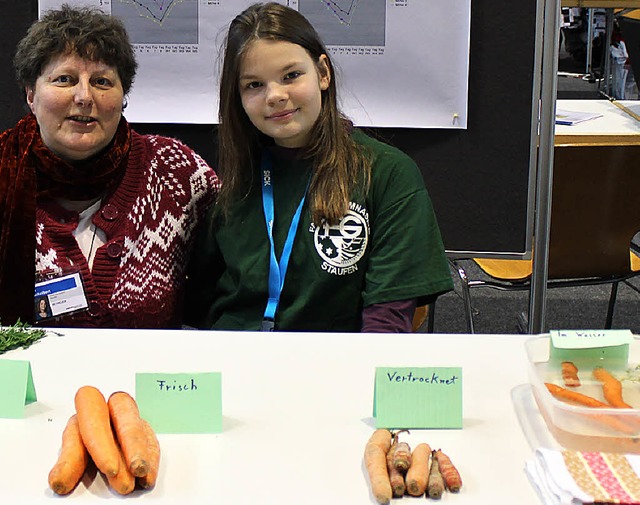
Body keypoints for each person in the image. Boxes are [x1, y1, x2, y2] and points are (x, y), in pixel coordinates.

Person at [184, 2, 452, 332]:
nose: (275, 95)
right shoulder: (238, 178)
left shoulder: (386, 173)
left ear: (322, 73)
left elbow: (386, 325)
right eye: (254, 85)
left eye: (291, 76)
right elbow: (200, 305)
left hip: (332, 369)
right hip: (236, 363)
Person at [0, 5, 219, 328]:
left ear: (123, 96)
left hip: (150, 376)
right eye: (65, 79)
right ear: (31, 94)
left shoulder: (177, 174)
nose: (84, 97)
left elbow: (230, 291)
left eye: (102, 81)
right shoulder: (5, 171)